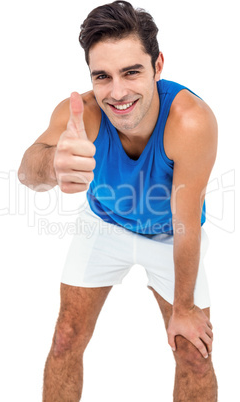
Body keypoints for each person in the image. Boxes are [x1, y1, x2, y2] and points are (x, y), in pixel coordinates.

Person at [18, 1, 218, 400]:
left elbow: (185, 221)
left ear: (158, 66)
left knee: (194, 353)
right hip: (103, 225)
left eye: (131, 72)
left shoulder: (191, 122)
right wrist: (52, 167)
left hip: (170, 234)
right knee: (65, 337)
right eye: (102, 77)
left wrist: (184, 307)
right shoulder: (83, 115)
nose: (117, 92)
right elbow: (28, 173)